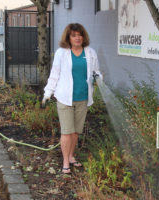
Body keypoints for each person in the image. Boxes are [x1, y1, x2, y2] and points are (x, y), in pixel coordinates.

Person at [42, 23, 102, 174]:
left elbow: (96, 71)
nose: (77, 38)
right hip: (65, 98)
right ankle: (65, 161)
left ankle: (71, 155)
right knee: (67, 132)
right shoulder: (62, 53)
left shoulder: (90, 53)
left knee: (76, 132)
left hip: (82, 98)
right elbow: (54, 75)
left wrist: (98, 77)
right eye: (74, 35)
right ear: (68, 37)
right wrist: (47, 94)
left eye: (80, 35)